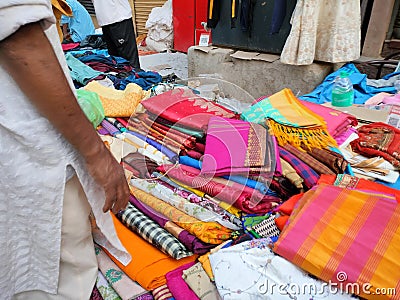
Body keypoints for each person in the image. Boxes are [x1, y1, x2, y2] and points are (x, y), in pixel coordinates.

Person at [0, 0, 131, 299]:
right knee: (52, 273)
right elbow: (21, 41)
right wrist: (96, 153)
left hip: (21, 151)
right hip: (30, 156)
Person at [91, 0, 141, 70]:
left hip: (117, 18)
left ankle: (134, 76)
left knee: (127, 59)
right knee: (117, 59)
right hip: (107, 20)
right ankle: (126, 77)